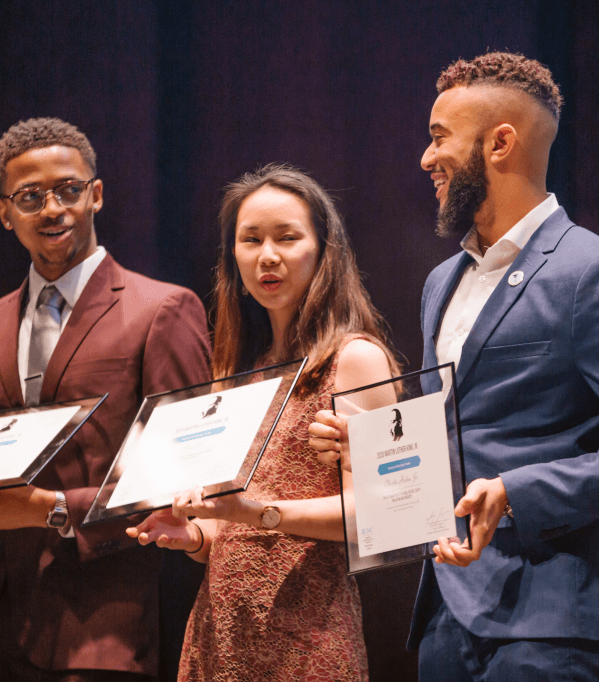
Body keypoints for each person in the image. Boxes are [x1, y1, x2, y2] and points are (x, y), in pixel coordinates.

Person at [310, 53, 599, 681]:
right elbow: (461, 436)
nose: (425, 158)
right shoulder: (442, 282)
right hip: (446, 617)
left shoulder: (596, 274)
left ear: (500, 143)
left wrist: (518, 493)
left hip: (554, 621)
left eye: (439, 138)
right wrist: (366, 450)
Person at [0, 118, 211, 682]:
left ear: (96, 194)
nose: (53, 209)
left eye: (69, 190)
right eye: (30, 197)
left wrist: (54, 507)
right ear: (3, 212)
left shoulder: (162, 310)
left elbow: (186, 478)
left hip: (95, 637)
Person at [127, 164, 399, 681]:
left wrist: (257, 511)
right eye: (250, 239)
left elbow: (385, 513)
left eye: (287, 237)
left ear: (324, 251)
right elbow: (228, 527)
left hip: (310, 640)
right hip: (220, 635)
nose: (267, 256)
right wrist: (195, 536)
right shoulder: (236, 372)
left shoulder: (355, 358)